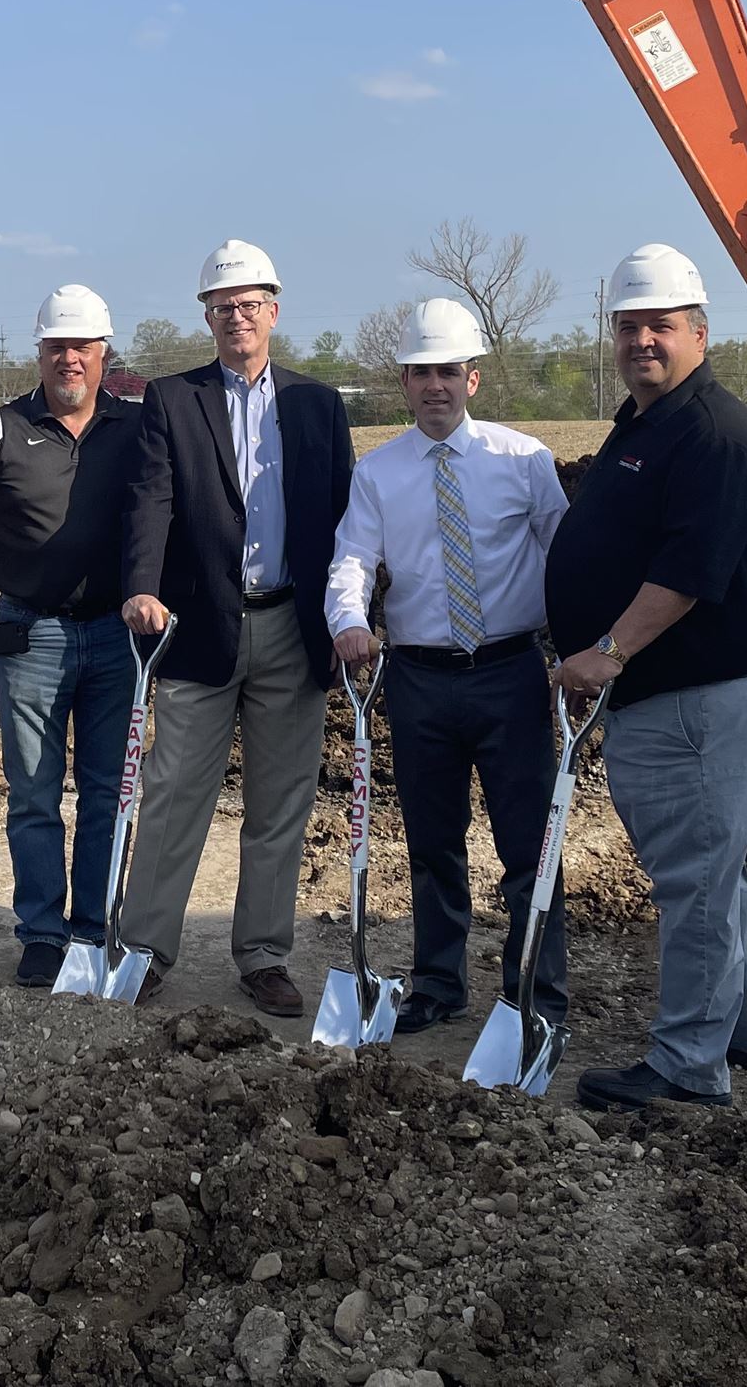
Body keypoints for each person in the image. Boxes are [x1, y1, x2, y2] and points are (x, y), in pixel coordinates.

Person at [544, 244, 747, 1111]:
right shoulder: (647, 421)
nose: (642, 339)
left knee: (694, 879)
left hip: (698, 692)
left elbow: (690, 573)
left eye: (660, 325)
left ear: (699, 331)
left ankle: (689, 1061)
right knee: (711, 866)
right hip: (666, 692)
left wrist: (607, 650)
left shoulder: (713, 430)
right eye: (628, 326)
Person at [119, 239, 354, 1016]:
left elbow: (347, 518)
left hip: (293, 623)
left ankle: (261, 954)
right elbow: (153, 497)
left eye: (250, 305)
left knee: (281, 800)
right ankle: (146, 948)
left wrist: (351, 616)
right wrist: (143, 588)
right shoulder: (172, 399)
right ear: (208, 317)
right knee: (175, 791)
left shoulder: (318, 405)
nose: (237, 317)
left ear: (273, 313)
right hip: (199, 626)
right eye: (223, 307)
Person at [324, 298, 568, 1036]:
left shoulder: (524, 461)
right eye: (422, 372)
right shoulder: (380, 474)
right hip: (420, 677)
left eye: (449, 372)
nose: (436, 385)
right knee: (433, 841)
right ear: (404, 381)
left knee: (528, 843)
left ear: (475, 378)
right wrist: (349, 621)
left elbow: (569, 556)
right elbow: (352, 560)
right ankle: (437, 983)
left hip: (511, 674)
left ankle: (535, 991)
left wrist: (590, 645)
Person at [0, 285, 145, 988]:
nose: (70, 358)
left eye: (82, 346)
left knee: (108, 793)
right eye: (58, 347)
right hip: (30, 632)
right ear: (40, 352)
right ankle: (43, 932)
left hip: (118, 636)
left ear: (104, 353)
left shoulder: (138, 429)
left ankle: (92, 930)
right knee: (35, 793)